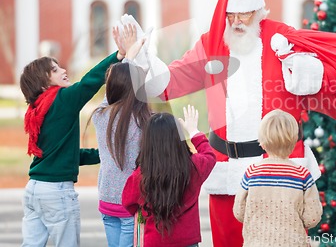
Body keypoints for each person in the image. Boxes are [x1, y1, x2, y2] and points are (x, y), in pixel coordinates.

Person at [132, 0, 336, 246]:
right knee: (227, 240)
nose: (236, 22)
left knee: (282, 239)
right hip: (226, 166)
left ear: (258, 12)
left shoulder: (281, 38)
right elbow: (172, 82)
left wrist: (300, 67)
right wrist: (142, 59)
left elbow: (324, 74)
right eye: (231, 14)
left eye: (244, 15)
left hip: (277, 168)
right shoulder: (211, 44)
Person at [19, 25, 135, 247]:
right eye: (55, 70)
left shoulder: (37, 109)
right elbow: (89, 82)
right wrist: (119, 56)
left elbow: (63, 155)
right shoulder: (62, 100)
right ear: (44, 83)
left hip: (34, 190)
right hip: (56, 193)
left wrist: (106, 154)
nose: (63, 70)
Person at [121, 105, 216, 247]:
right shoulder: (194, 167)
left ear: (148, 142)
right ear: (179, 139)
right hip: (188, 241)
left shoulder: (141, 176)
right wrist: (194, 132)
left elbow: (128, 203)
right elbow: (210, 156)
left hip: (155, 241)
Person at [90, 24, 149, 247]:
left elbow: (112, 90)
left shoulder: (99, 115)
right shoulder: (141, 120)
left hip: (106, 199)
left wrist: (127, 57)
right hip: (130, 202)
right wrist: (132, 57)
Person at [233, 109, 322, 246]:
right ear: (293, 143)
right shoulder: (302, 175)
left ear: (261, 143)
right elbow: (312, 217)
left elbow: (239, 212)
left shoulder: (252, 173)